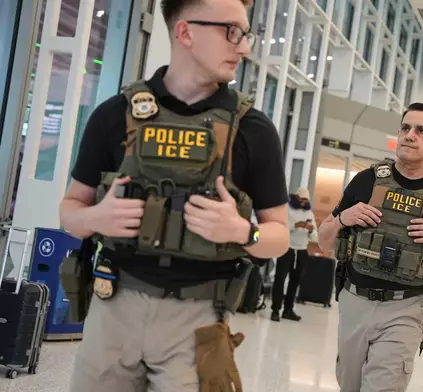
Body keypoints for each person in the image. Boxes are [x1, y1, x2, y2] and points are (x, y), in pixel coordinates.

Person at [58, 0, 290, 391]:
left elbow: (279, 237)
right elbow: (69, 211)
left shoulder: (253, 129)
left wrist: (242, 232)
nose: (245, 47)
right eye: (232, 31)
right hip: (114, 308)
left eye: (246, 33)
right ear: (186, 32)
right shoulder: (115, 114)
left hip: (198, 321)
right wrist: (96, 219)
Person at [317, 102, 423, 391]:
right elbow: (323, 240)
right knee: (349, 384)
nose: (410, 135)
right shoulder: (366, 180)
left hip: (405, 308)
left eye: (421, 130)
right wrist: (342, 219)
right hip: (354, 302)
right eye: (405, 128)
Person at [270, 187, 318, 322]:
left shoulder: (310, 213)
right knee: (280, 280)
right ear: (296, 197)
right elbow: (281, 229)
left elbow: (315, 237)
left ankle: (288, 309)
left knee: (295, 281)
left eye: (305, 200)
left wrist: (310, 230)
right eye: (301, 199)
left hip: (302, 250)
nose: (303, 202)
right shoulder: (287, 210)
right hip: (287, 249)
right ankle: (275, 310)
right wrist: (295, 225)